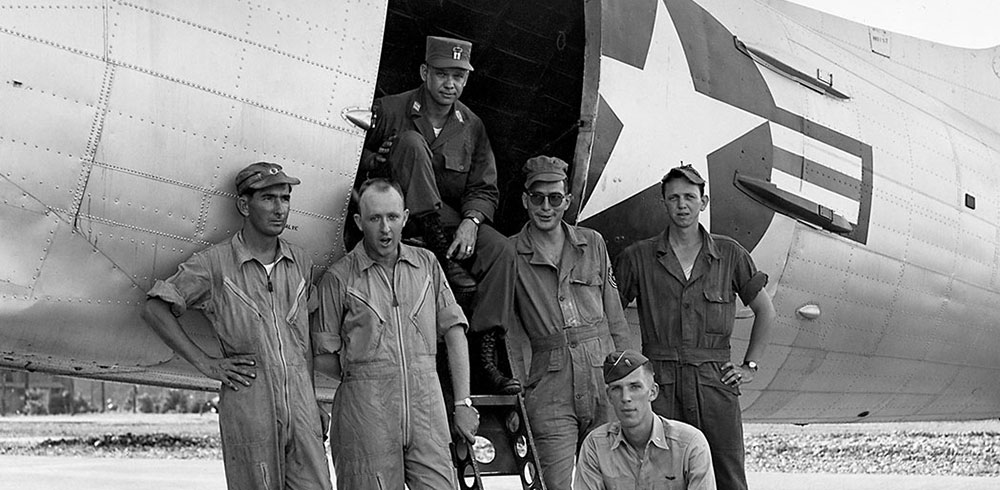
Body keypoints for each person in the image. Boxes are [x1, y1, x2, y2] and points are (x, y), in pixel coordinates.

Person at [142, 162, 332, 490]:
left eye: (285, 198)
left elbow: (301, 343)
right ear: (244, 205)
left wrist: (312, 399)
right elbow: (154, 308)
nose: (280, 209)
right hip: (250, 411)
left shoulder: (300, 262)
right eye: (268, 199)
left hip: (303, 412)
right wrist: (207, 364)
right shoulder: (215, 264)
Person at [614, 164, 777, 490]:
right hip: (660, 386)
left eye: (689, 197)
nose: (682, 205)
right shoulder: (638, 258)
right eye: (674, 198)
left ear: (703, 202)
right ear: (663, 202)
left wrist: (750, 366)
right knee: (660, 477)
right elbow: (610, 315)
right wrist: (625, 373)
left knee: (727, 476)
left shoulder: (730, 255)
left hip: (714, 385)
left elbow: (766, 311)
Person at [311, 178, 479, 489]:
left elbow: (455, 331)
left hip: (427, 412)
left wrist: (463, 403)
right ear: (359, 222)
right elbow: (322, 357)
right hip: (365, 417)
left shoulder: (427, 264)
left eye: (392, 217)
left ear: (405, 217)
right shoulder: (339, 278)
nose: (385, 229)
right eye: (375, 218)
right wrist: (365, 375)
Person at [507, 155, 640, 489]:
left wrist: (628, 377)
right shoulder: (511, 253)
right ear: (525, 200)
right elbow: (510, 332)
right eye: (537, 198)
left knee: (614, 479)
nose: (546, 207)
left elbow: (615, 317)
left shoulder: (592, 243)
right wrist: (520, 389)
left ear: (567, 201)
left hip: (601, 376)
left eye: (555, 198)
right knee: (555, 482)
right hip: (550, 386)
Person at [575, 349, 716, 490]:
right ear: (609, 396)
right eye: (616, 388)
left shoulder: (690, 443)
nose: (625, 397)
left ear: (653, 392)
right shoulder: (596, 445)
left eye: (635, 387)